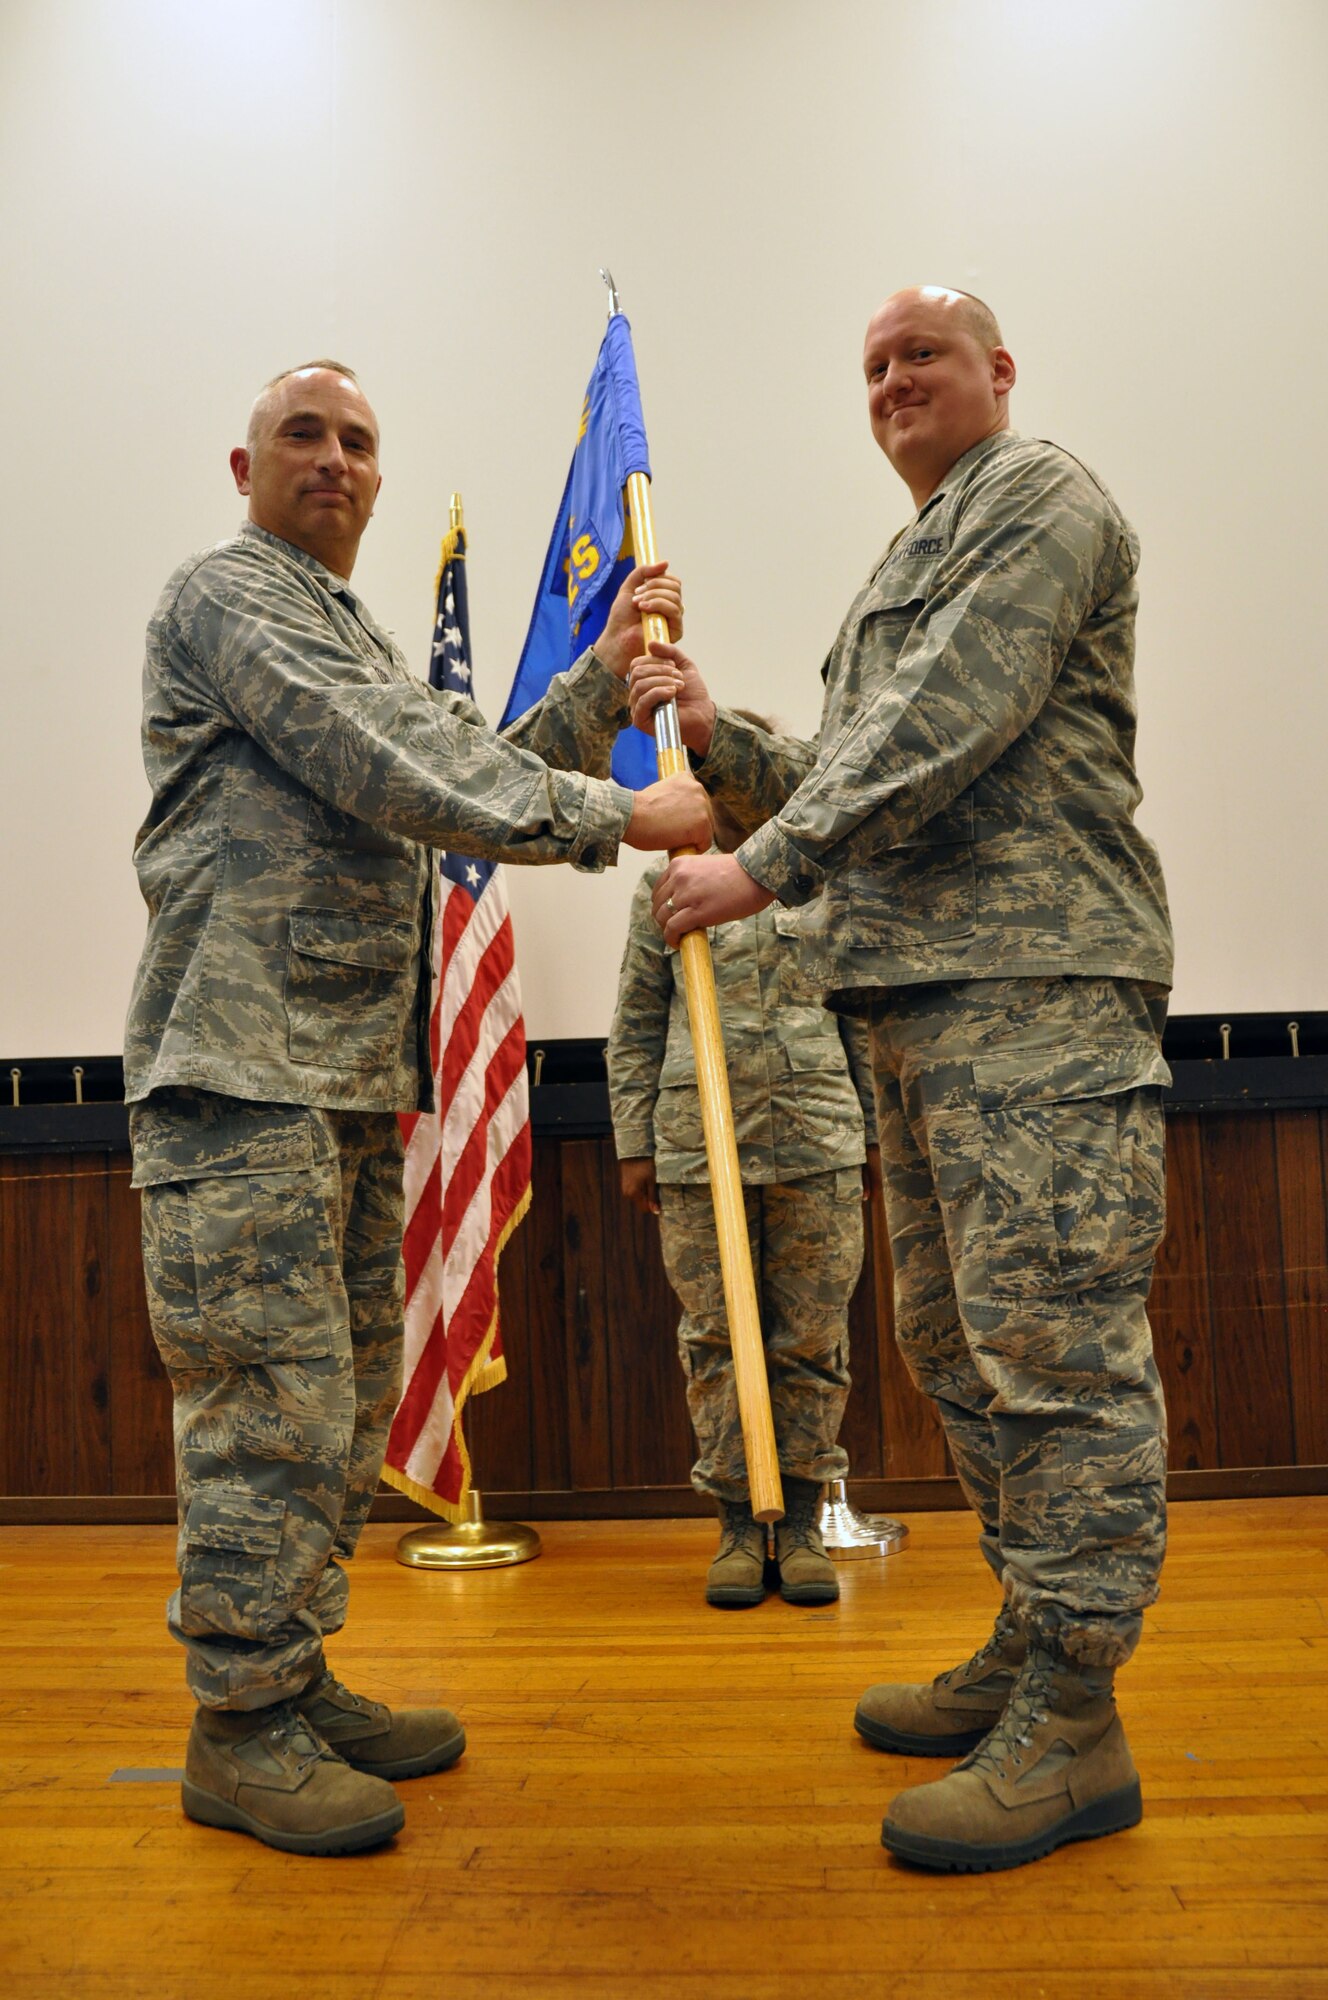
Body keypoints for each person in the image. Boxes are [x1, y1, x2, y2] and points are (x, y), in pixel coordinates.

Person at [125, 359, 710, 1857]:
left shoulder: (352, 631)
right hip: (238, 1075)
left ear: (381, 480)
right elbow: (391, 760)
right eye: (304, 437)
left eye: (360, 442)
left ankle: (291, 1674)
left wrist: (601, 681)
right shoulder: (230, 598)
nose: (335, 459)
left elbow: (467, 771)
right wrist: (622, 816)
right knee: (266, 1412)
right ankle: (238, 1728)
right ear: (243, 466)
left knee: (331, 1409)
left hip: (338, 1079)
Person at [629, 287, 1173, 1873]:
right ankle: (1029, 1640)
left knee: (1053, 1352)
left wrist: (759, 864)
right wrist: (720, 740)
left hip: (1039, 993)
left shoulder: (1039, 502)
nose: (892, 384)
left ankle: (1079, 1718)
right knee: (954, 1342)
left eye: (920, 356)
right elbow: (855, 769)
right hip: (917, 1016)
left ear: (999, 372)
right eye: (872, 368)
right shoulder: (900, 568)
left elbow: (948, 723)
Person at [607, 749, 880, 1610]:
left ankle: (799, 1524)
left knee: (810, 1338)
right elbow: (637, 1022)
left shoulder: (823, 889)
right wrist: (633, 1144)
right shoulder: (671, 890)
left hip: (817, 1138)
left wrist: (872, 1136)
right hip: (696, 1146)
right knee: (719, 1339)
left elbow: (861, 1021)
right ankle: (735, 1524)